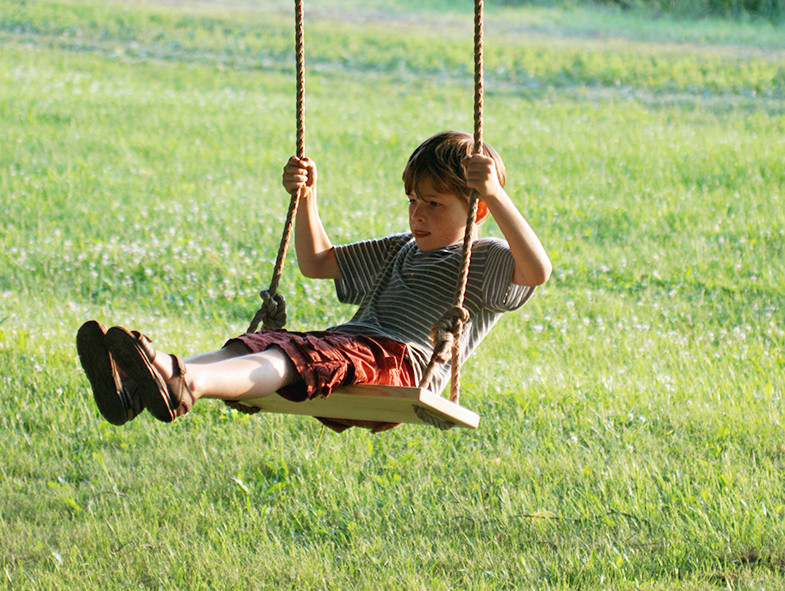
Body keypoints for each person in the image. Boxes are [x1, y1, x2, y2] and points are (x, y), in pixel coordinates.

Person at [76, 130, 552, 432]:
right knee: (259, 343)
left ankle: (186, 381)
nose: (417, 214)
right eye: (412, 200)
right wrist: (307, 196)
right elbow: (317, 261)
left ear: (477, 209)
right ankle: (143, 385)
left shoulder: (484, 258)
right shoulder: (401, 248)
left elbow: (537, 272)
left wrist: (495, 193)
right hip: (352, 345)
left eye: (434, 204)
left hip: (399, 362)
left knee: (293, 357)